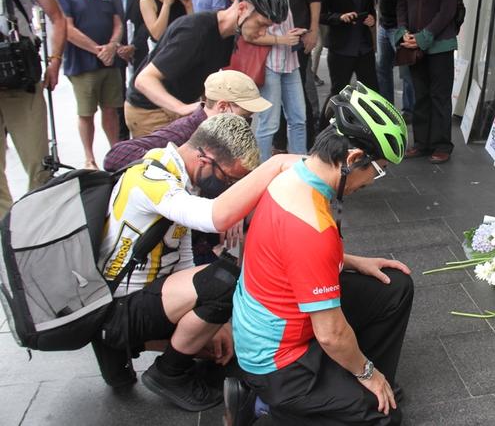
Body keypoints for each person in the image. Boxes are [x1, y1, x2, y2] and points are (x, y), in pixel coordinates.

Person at [225, 82, 413, 426]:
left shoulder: (295, 172)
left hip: (273, 315)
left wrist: (353, 261)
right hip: (277, 361)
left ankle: (358, 384)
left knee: (395, 287)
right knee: (385, 419)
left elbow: (292, 258)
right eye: (377, 169)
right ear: (354, 159)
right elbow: (330, 333)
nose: (373, 180)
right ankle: (268, 406)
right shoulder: (312, 229)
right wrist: (367, 372)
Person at [94, 113, 299, 412]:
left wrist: (210, 321)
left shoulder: (179, 178)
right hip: (120, 310)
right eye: (229, 178)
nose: (228, 186)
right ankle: (169, 373)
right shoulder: (150, 178)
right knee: (227, 278)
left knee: (223, 344)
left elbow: (183, 257)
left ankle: (125, 348)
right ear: (205, 159)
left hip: (144, 302)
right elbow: (214, 215)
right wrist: (275, 165)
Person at [125, 0, 288, 138]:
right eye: (261, 24)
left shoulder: (228, 36)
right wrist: (182, 109)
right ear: (242, 8)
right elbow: (144, 80)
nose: (262, 33)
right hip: (150, 109)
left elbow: (206, 79)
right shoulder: (195, 31)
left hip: (179, 104)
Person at [0, 0, 66, 217]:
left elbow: (57, 17)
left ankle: (36, 224)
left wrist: (55, 61)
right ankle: (6, 228)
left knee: (37, 162)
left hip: (21, 78)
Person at [104, 70, 271, 171]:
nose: (246, 124)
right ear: (223, 107)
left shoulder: (227, 133)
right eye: (244, 117)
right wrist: (179, 163)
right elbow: (115, 155)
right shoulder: (185, 130)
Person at [52, 0, 123, 170]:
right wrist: (97, 50)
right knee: (87, 113)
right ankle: (89, 158)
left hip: (110, 62)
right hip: (83, 65)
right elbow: (66, 28)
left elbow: (118, 23)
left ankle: (115, 152)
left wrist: (112, 46)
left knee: (111, 109)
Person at [396, 0, 459, 164]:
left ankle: (442, 144)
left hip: (439, 45)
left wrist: (423, 37)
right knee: (420, 94)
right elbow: (401, 4)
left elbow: (447, 9)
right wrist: (404, 32)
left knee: (439, 97)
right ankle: (422, 143)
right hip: (414, 45)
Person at [250, 0, 307, 161]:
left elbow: (277, 26)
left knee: (298, 118)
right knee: (269, 123)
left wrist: (292, 33)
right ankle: (263, 175)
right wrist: (284, 38)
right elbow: (251, 34)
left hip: (288, 61)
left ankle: (299, 169)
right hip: (270, 63)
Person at [321, 0, 379, 104]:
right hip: (341, 48)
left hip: (364, 48)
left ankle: (371, 129)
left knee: (371, 93)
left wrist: (371, 19)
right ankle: (327, 128)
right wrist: (339, 17)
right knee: (338, 93)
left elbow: (370, 11)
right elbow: (322, 15)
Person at [101, 0, 149, 140]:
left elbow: (148, 22)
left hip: (139, 51)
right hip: (115, 53)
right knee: (117, 99)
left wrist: (134, 46)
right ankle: (121, 141)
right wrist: (116, 46)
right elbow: (104, 21)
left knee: (140, 94)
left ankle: (141, 138)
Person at [375, 0, 415, 123]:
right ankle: (387, 108)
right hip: (383, 26)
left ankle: (410, 111)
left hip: (399, 29)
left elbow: (409, 0)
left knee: (406, 73)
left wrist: (404, 28)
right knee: (383, 69)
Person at [310, 0, 327, 87]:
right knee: (318, 46)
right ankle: (312, 74)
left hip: (323, 17)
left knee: (320, 46)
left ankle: (311, 73)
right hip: (311, 19)